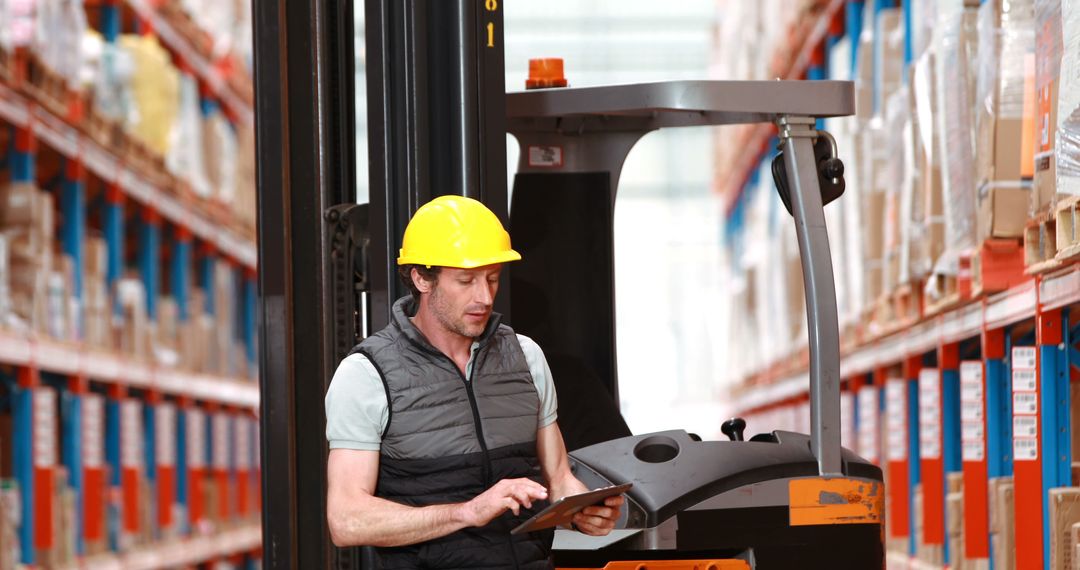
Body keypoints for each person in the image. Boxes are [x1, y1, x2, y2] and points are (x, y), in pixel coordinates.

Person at [324, 195, 624, 569]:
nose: (484, 297)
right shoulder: (367, 375)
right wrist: (467, 512)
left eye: (493, 278)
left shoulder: (526, 357)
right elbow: (347, 520)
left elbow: (560, 479)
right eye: (466, 280)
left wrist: (584, 511)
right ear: (421, 278)